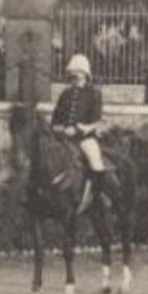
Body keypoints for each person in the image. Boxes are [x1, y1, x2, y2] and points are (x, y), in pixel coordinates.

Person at [52, 53, 117, 197]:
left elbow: (95, 120)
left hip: (84, 138)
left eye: (77, 72)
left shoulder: (93, 94)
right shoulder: (65, 94)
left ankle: (98, 197)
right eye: (72, 73)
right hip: (63, 139)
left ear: (84, 74)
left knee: (95, 161)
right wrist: (61, 129)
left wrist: (79, 129)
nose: (74, 76)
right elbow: (55, 119)